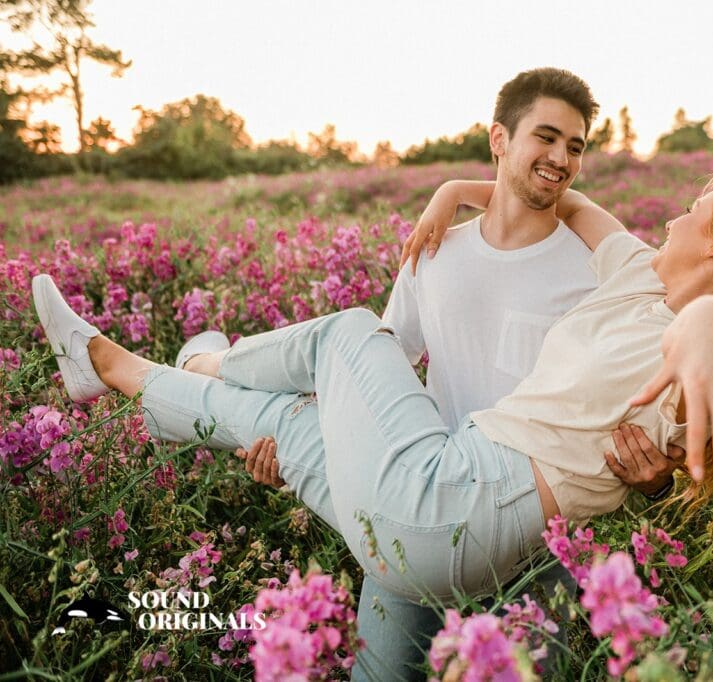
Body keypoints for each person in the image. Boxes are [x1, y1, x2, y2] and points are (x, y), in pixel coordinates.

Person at [32, 171, 713, 676]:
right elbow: (566, 203)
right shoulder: (634, 271)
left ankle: (204, 361)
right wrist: (454, 192)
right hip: (448, 489)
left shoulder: (701, 344)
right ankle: (117, 368)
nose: (670, 215)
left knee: (348, 331)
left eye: (692, 212)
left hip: (476, 506)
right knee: (289, 423)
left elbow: (704, 353)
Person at [181, 67, 680, 679]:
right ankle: (205, 366)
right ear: (499, 139)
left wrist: (658, 481)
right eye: (546, 137)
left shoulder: (597, 271)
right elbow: (376, 374)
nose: (561, 158)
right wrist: (292, 444)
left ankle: (203, 364)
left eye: (575, 146)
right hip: (420, 506)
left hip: (539, 544)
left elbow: (643, 396)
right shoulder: (435, 248)